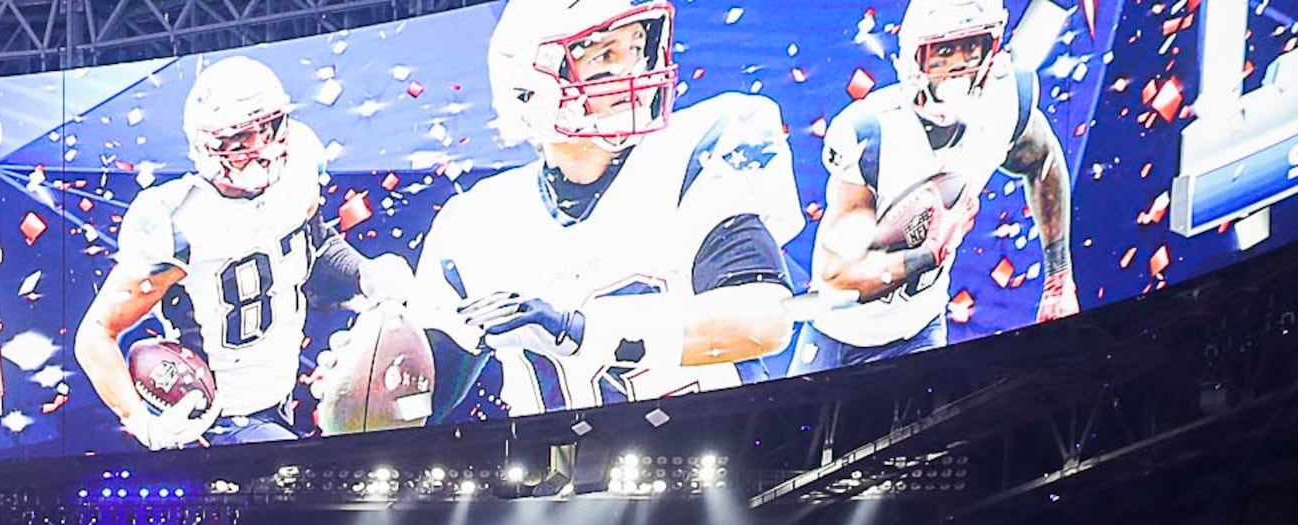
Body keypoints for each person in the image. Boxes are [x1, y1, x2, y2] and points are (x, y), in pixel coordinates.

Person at [409, 0, 799, 414]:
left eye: (637, 49)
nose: (634, 72)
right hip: (557, 472)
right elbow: (419, 400)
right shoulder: (477, 222)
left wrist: (576, 329)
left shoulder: (691, 156)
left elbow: (763, 321)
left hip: (724, 452)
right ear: (530, 88)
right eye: (605, 56)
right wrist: (364, 374)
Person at [76, 55, 421, 448]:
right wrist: (141, 421)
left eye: (269, 128)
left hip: (280, 398)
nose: (261, 147)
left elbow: (314, 241)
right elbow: (97, 334)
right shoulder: (178, 218)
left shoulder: (298, 166)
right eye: (240, 139)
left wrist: (365, 272)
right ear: (208, 145)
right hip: (220, 420)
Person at [796, 0, 1075, 369]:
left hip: (921, 328)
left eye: (971, 47)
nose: (959, 63)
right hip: (839, 335)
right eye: (943, 51)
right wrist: (929, 252)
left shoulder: (1004, 101)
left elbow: (1043, 161)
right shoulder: (872, 134)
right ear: (914, 57)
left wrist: (1059, 276)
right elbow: (838, 277)